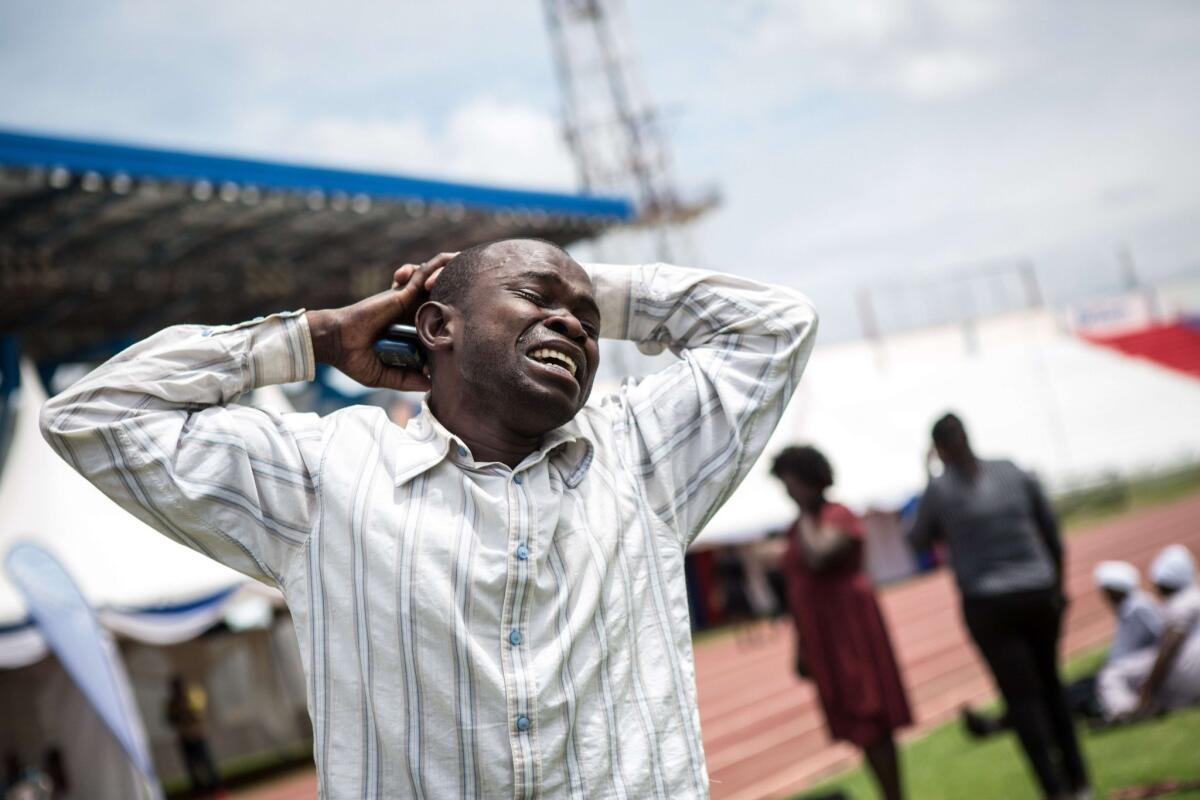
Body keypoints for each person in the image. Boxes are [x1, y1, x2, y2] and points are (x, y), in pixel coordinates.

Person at [41, 239, 818, 798]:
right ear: (438, 325)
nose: (576, 326)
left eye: (586, 319)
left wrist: (590, 289)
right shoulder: (326, 475)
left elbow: (776, 323)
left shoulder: (643, 456)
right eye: (537, 300)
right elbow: (90, 416)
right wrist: (314, 336)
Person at [906, 413, 1090, 800]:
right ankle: (1079, 781)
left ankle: (1053, 788)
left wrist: (928, 477)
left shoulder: (940, 490)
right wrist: (1056, 585)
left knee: (1022, 699)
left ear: (939, 449)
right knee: (1051, 686)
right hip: (1038, 591)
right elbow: (1052, 534)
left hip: (988, 603)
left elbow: (917, 540)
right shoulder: (1012, 471)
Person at [772, 445, 911, 800]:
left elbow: (819, 557)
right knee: (856, 722)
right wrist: (801, 647)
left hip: (851, 632)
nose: (789, 492)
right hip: (823, 637)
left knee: (871, 716)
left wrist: (805, 513)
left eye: (792, 483)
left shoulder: (838, 515)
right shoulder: (798, 529)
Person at [961, 560, 1163, 733]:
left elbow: (1162, 637)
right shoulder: (1131, 607)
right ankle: (1000, 722)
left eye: (1106, 590)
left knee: (1057, 700)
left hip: (1126, 675)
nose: (1104, 596)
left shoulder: (1139, 607)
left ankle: (997, 725)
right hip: (1117, 671)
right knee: (1061, 693)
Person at [1097, 544, 1200, 720]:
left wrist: (1149, 686)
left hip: (1190, 671)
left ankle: (1127, 712)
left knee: (1112, 674)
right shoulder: (1194, 597)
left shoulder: (1179, 605)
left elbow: (1171, 643)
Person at [165, 676, 221, 795]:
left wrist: (187, 711)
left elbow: (199, 713)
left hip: (198, 735)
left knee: (206, 763)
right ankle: (199, 790)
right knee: (192, 766)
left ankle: (216, 788)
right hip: (185, 737)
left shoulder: (192, 696)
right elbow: (170, 719)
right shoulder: (172, 703)